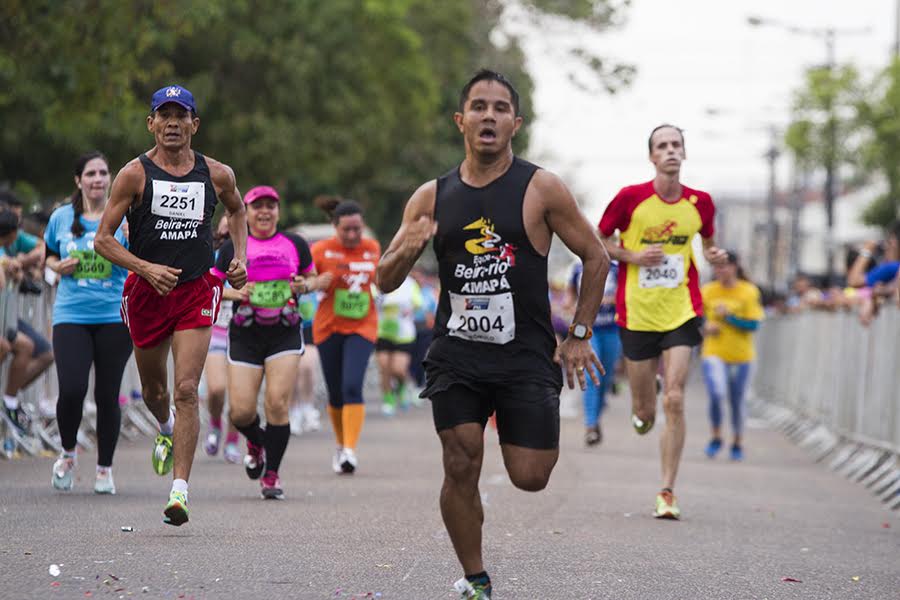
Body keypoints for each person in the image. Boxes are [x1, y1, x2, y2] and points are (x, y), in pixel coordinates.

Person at [376, 70, 609, 599]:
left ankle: (523, 437)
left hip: (525, 354)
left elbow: (595, 256)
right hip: (456, 353)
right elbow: (384, 281)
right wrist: (410, 247)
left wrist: (578, 333)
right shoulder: (431, 196)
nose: (488, 115)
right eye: (478, 107)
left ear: (515, 124)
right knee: (460, 459)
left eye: (500, 108)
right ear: (461, 121)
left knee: (531, 475)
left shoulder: (541, 187)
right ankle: (476, 577)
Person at [95, 85, 247, 526]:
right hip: (146, 292)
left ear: (195, 125)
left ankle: (179, 491)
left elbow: (236, 212)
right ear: (152, 124)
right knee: (155, 392)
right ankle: (163, 427)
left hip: (196, 290)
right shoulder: (133, 175)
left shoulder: (217, 174)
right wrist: (145, 268)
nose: (173, 123)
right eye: (165, 115)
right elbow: (102, 240)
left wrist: (239, 258)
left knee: (186, 390)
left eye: (182, 116)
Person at [598, 123, 728, 520]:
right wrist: (633, 257)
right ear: (652, 156)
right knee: (647, 411)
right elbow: (600, 240)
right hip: (637, 311)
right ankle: (643, 405)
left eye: (677, 145)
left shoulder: (701, 202)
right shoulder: (630, 198)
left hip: (682, 308)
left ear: (684, 154)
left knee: (675, 398)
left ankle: (667, 491)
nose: (671, 151)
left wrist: (713, 256)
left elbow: (706, 245)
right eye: (662, 146)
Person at [213, 185, 321, 499]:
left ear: (277, 211)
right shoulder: (233, 247)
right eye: (256, 207)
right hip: (245, 333)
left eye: (270, 206)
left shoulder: (294, 243)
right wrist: (236, 293)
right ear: (245, 212)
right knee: (241, 412)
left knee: (276, 403)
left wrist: (303, 285)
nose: (264, 212)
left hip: (284, 332)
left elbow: (311, 279)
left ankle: (271, 474)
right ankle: (257, 442)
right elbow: (212, 286)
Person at [43, 152, 133, 494]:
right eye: (91, 173)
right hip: (71, 316)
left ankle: (104, 468)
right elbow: (49, 254)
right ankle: (67, 453)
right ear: (78, 180)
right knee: (72, 389)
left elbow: (141, 257)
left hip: (114, 315)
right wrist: (56, 265)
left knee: (108, 394)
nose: (97, 179)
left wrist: (131, 234)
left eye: (103, 173)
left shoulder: (124, 215)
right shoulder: (61, 217)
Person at [311, 196, 380, 475]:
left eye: (357, 230)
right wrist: (316, 282)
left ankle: (350, 449)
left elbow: (382, 279)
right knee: (336, 392)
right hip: (328, 327)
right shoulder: (321, 250)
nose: (352, 235)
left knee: (352, 385)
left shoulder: (372, 248)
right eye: (346, 230)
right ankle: (340, 445)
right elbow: (300, 281)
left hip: (362, 327)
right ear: (335, 227)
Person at [700, 251, 763, 461]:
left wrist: (730, 317)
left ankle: (737, 441)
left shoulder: (748, 291)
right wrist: (704, 327)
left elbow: (753, 325)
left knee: (737, 400)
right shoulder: (707, 291)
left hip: (741, 357)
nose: (721, 271)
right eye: (717, 267)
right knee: (717, 393)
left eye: (725, 266)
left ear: (735, 267)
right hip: (714, 352)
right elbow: (695, 320)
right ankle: (716, 436)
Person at [0, 208, 54, 439]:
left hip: (8, 316)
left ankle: (9, 400)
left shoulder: (15, 240)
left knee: (38, 350)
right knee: (7, 346)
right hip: (6, 315)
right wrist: (9, 268)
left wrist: (19, 262)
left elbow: (41, 249)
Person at [568, 259, 621, 446]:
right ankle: (590, 425)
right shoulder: (577, 269)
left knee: (605, 380)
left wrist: (606, 299)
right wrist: (572, 306)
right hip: (588, 329)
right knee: (592, 376)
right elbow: (571, 296)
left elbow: (624, 296)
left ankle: (596, 419)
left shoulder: (616, 269)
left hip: (611, 329)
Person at [203, 215, 241, 464]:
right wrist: (235, 293)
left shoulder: (250, 256)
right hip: (215, 331)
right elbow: (207, 288)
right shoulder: (208, 255)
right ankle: (215, 423)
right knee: (216, 389)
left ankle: (232, 440)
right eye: (225, 230)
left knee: (239, 396)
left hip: (243, 333)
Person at [375, 275, 422, 415]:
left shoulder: (410, 284)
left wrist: (411, 309)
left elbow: (418, 303)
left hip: (403, 334)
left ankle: (403, 387)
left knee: (398, 369)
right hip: (382, 332)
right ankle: (388, 400)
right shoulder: (378, 281)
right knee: (384, 367)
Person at [290, 288, 323, 435]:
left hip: (311, 325)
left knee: (308, 366)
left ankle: (308, 406)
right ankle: (294, 411)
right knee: (292, 371)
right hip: (289, 323)